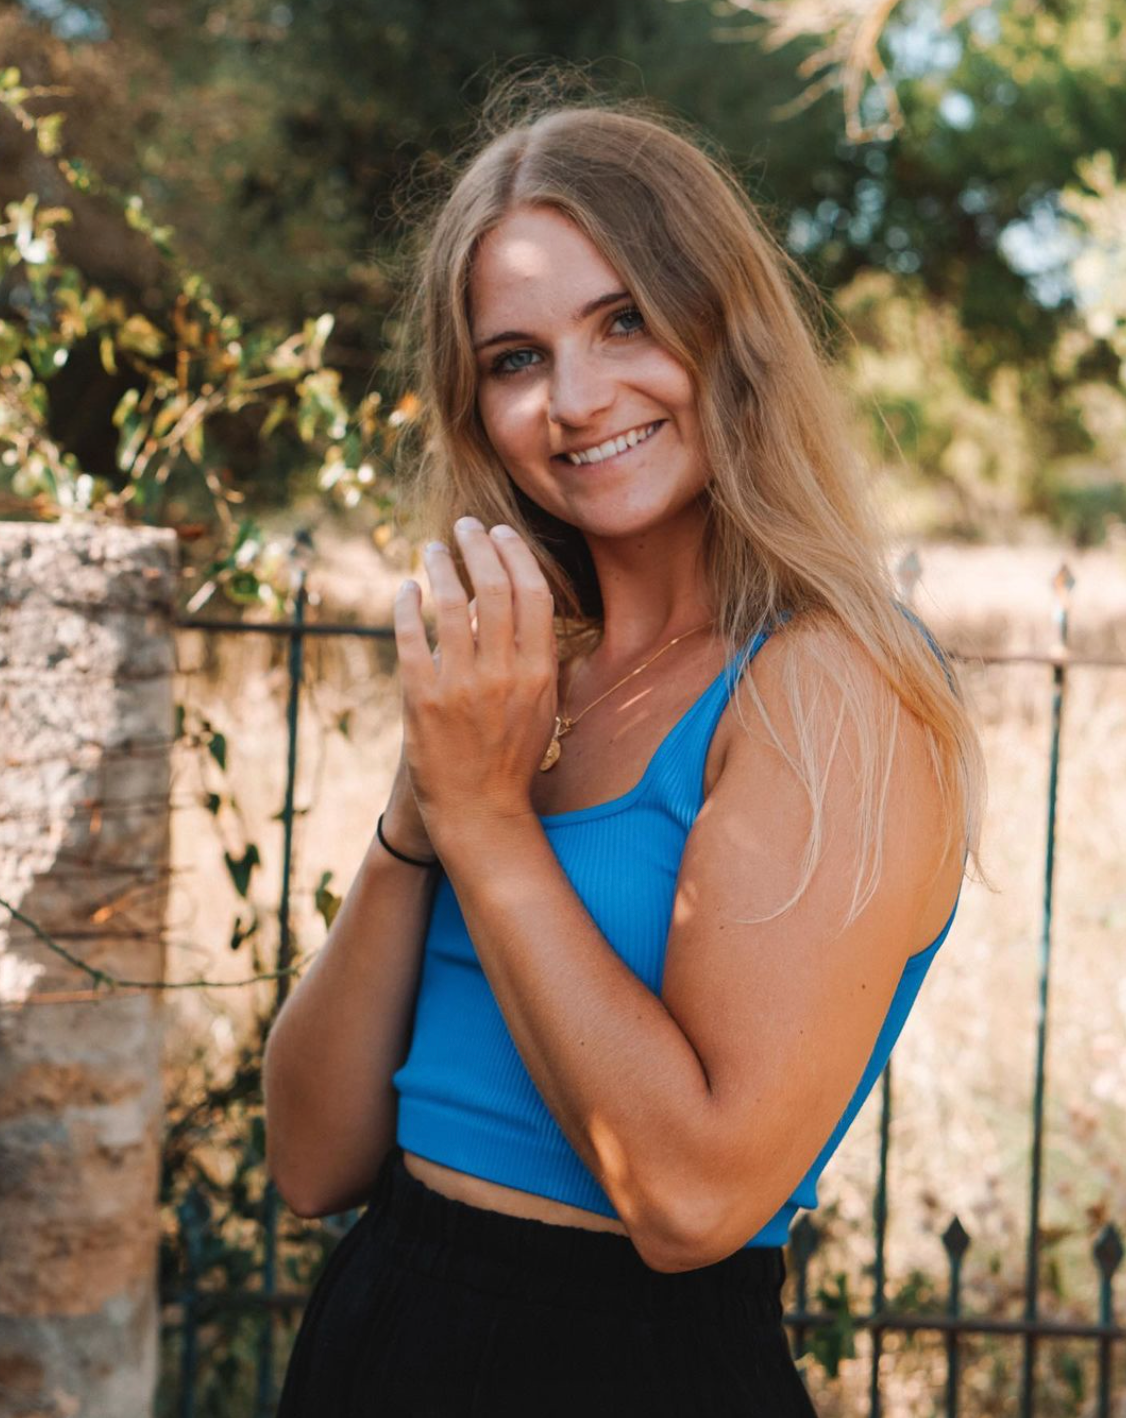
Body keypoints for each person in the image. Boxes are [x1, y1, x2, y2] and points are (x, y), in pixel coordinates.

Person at [264, 87, 986, 1418]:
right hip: (378, 1329)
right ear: (475, 407)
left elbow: (694, 1200)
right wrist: (426, 812)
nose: (576, 398)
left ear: (727, 327)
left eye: (624, 321)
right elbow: (312, 1160)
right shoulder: (526, 688)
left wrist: (489, 825)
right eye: (515, 358)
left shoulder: (831, 683)